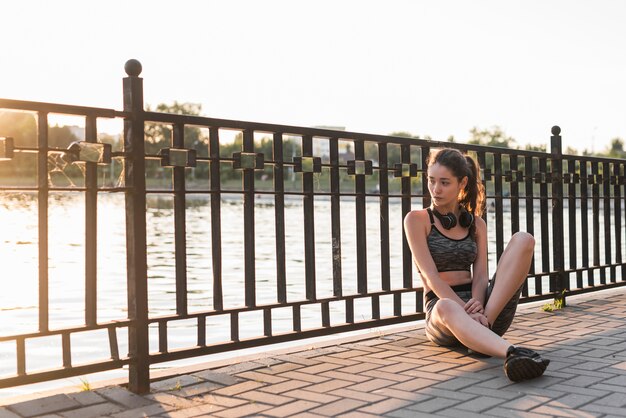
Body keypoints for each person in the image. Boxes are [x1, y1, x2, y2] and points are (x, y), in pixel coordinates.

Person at [403, 148, 549, 382]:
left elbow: (480, 277)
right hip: (446, 316)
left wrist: (480, 311)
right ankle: (512, 353)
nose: (435, 189)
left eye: (444, 183)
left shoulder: (476, 224)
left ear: (462, 183)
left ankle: (484, 331)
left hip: (482, 311)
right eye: (431, 181)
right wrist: (465, 311)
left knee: (524, 239)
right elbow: (431, 276)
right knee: (445, 306)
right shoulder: (416, 220)